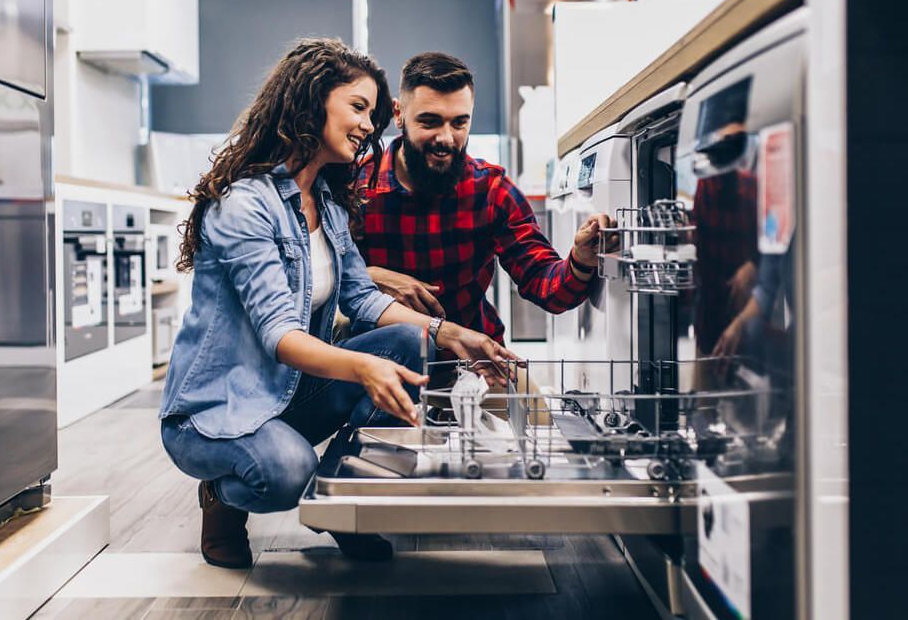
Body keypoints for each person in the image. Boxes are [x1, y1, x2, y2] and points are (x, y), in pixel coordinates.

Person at [158, 39, 515, 569]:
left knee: (411, 341)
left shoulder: (324, 199)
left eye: (372, 112)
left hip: (284, 395)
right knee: (286, 473)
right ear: (310, 101)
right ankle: (221, 496)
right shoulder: (245, 204)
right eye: (358, 107)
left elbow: (361, 296)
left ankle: (345, 504)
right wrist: (365, 366)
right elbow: (281, 337)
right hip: (215, 411)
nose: (370, 126)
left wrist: (452, 334)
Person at [353, 52, 613, 354]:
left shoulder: (491, 191)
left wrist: (581, 259)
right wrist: (368, 277)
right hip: (379, 363)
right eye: (430, 122)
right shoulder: (356, 187)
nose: (446, 138)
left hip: (474, 361)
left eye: (459, 123)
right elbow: (318, 280)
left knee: (533, 403)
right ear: (399, 114)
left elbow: (547, 287)